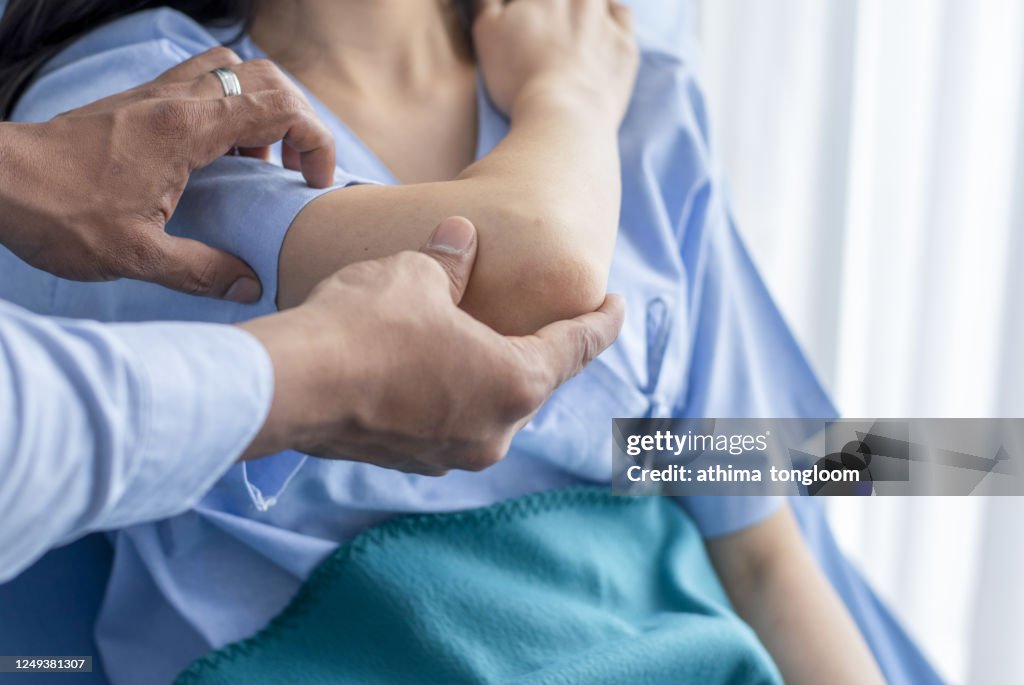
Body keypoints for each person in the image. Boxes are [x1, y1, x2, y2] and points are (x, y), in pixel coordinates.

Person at [0, 1, 941, 684]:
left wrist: (963, 454)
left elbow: (756, 528)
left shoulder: (646, 92)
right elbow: (528, 274)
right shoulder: (139, 116)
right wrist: (566, 99)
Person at [0, 46, 624, 580]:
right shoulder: (153, 93)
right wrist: (571, 99)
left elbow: (703, 453)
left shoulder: (628, 71)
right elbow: (536, 274)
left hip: (668, 618)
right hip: (361, 637)